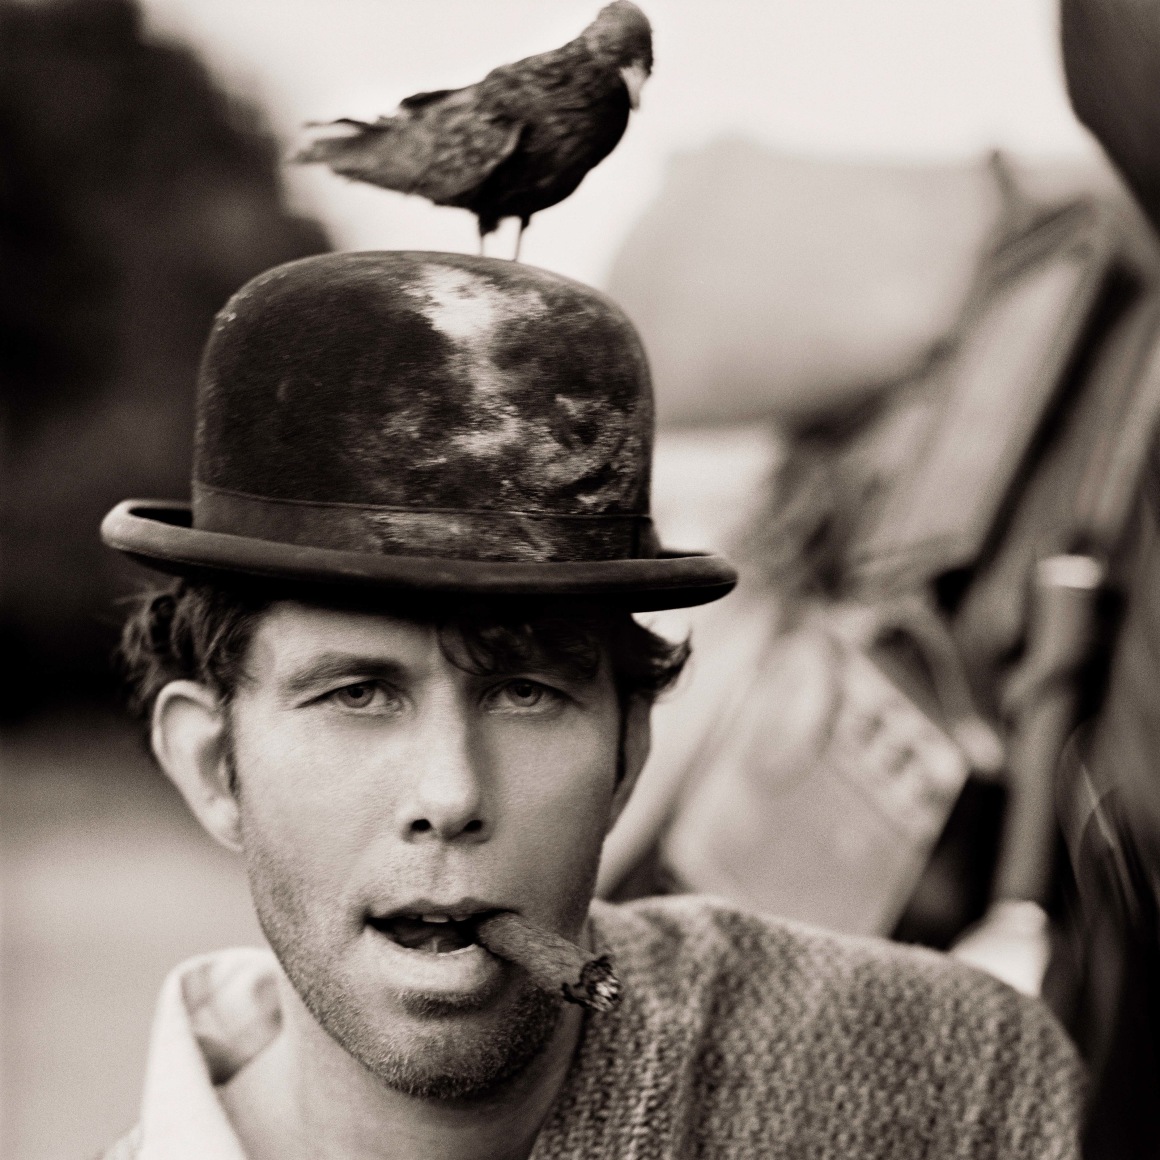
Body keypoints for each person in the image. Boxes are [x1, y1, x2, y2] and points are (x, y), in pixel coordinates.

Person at [97, 250, 1083, 1159]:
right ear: (216, 767)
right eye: (359, 693)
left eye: (525, 691)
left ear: (625, 752)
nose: (450, 792)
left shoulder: (957, 1083)